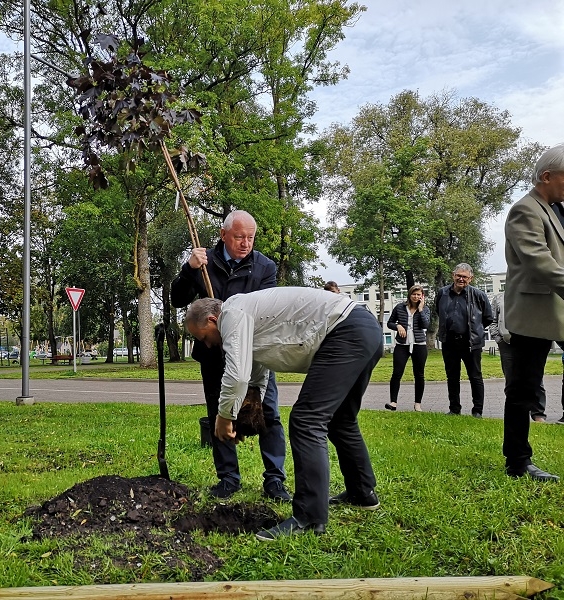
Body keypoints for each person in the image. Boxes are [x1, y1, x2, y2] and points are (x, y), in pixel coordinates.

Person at [185, 288, 383, 540]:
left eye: (203, 337)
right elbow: (256, 375)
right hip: (363, 328)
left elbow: (237, 376)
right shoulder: (246, 315)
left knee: (306, 421)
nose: (207, 344)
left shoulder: (233, 313)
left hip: (345, 331)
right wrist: (243, 416)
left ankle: (309, 518)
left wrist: (223, 417)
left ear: (213, 319)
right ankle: (362, 493)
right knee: (341, 420)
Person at [171, 210, 290, 502]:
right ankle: (228, 479)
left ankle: (275, 480)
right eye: (239, 237)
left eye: (250, 237)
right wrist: (188, 269)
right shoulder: (203, 263)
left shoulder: (264, 267)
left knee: (269, 414)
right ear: (224, 235)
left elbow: (268, 310)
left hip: (255, 352)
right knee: (218, 412)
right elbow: (177, 299)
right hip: (213, 352)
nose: (245, 243)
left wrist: (233, 320)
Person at [502, 144, 564, 482]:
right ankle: (517, 462)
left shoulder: (556, 209)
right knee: (523, 390)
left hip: (559, 308)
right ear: (547, 176)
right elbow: (541, 263)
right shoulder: (525, 210)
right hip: (533, 314)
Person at [434, 263, 493, 417]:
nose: (461, 279)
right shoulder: (442, 293)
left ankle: (477, 410)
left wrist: (475, 329)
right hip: (449, 341)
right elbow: (439, 311)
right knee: (452, 376)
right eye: (458, 275)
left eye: (464, 277)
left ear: (470, 278)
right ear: (453, 275)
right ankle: (454, 409)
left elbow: (488, 317)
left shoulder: (479, 295)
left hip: (471, 342)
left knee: (475, 376)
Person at [491, 291, 547, 422]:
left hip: (530, 343)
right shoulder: (499, 298)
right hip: (507, 345)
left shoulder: (530, 294)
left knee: (535, 377)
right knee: (511, 379)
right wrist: (499, 340)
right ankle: (516, 413)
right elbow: (492, 320)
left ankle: (538, 413)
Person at [385, 285, 430, 412]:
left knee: (419, 374)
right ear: (409, 295)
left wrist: (420, 310)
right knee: (397, 373)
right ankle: (393, 402)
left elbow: (425, 325)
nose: (416, 297)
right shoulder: (400, 307)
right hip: (402, 345)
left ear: (422, 296)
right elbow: (389, 323)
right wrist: (398, 326)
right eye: (413, 294)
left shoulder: (425, 309)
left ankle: (417, 404)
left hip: (419, 345)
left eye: (418, 294)